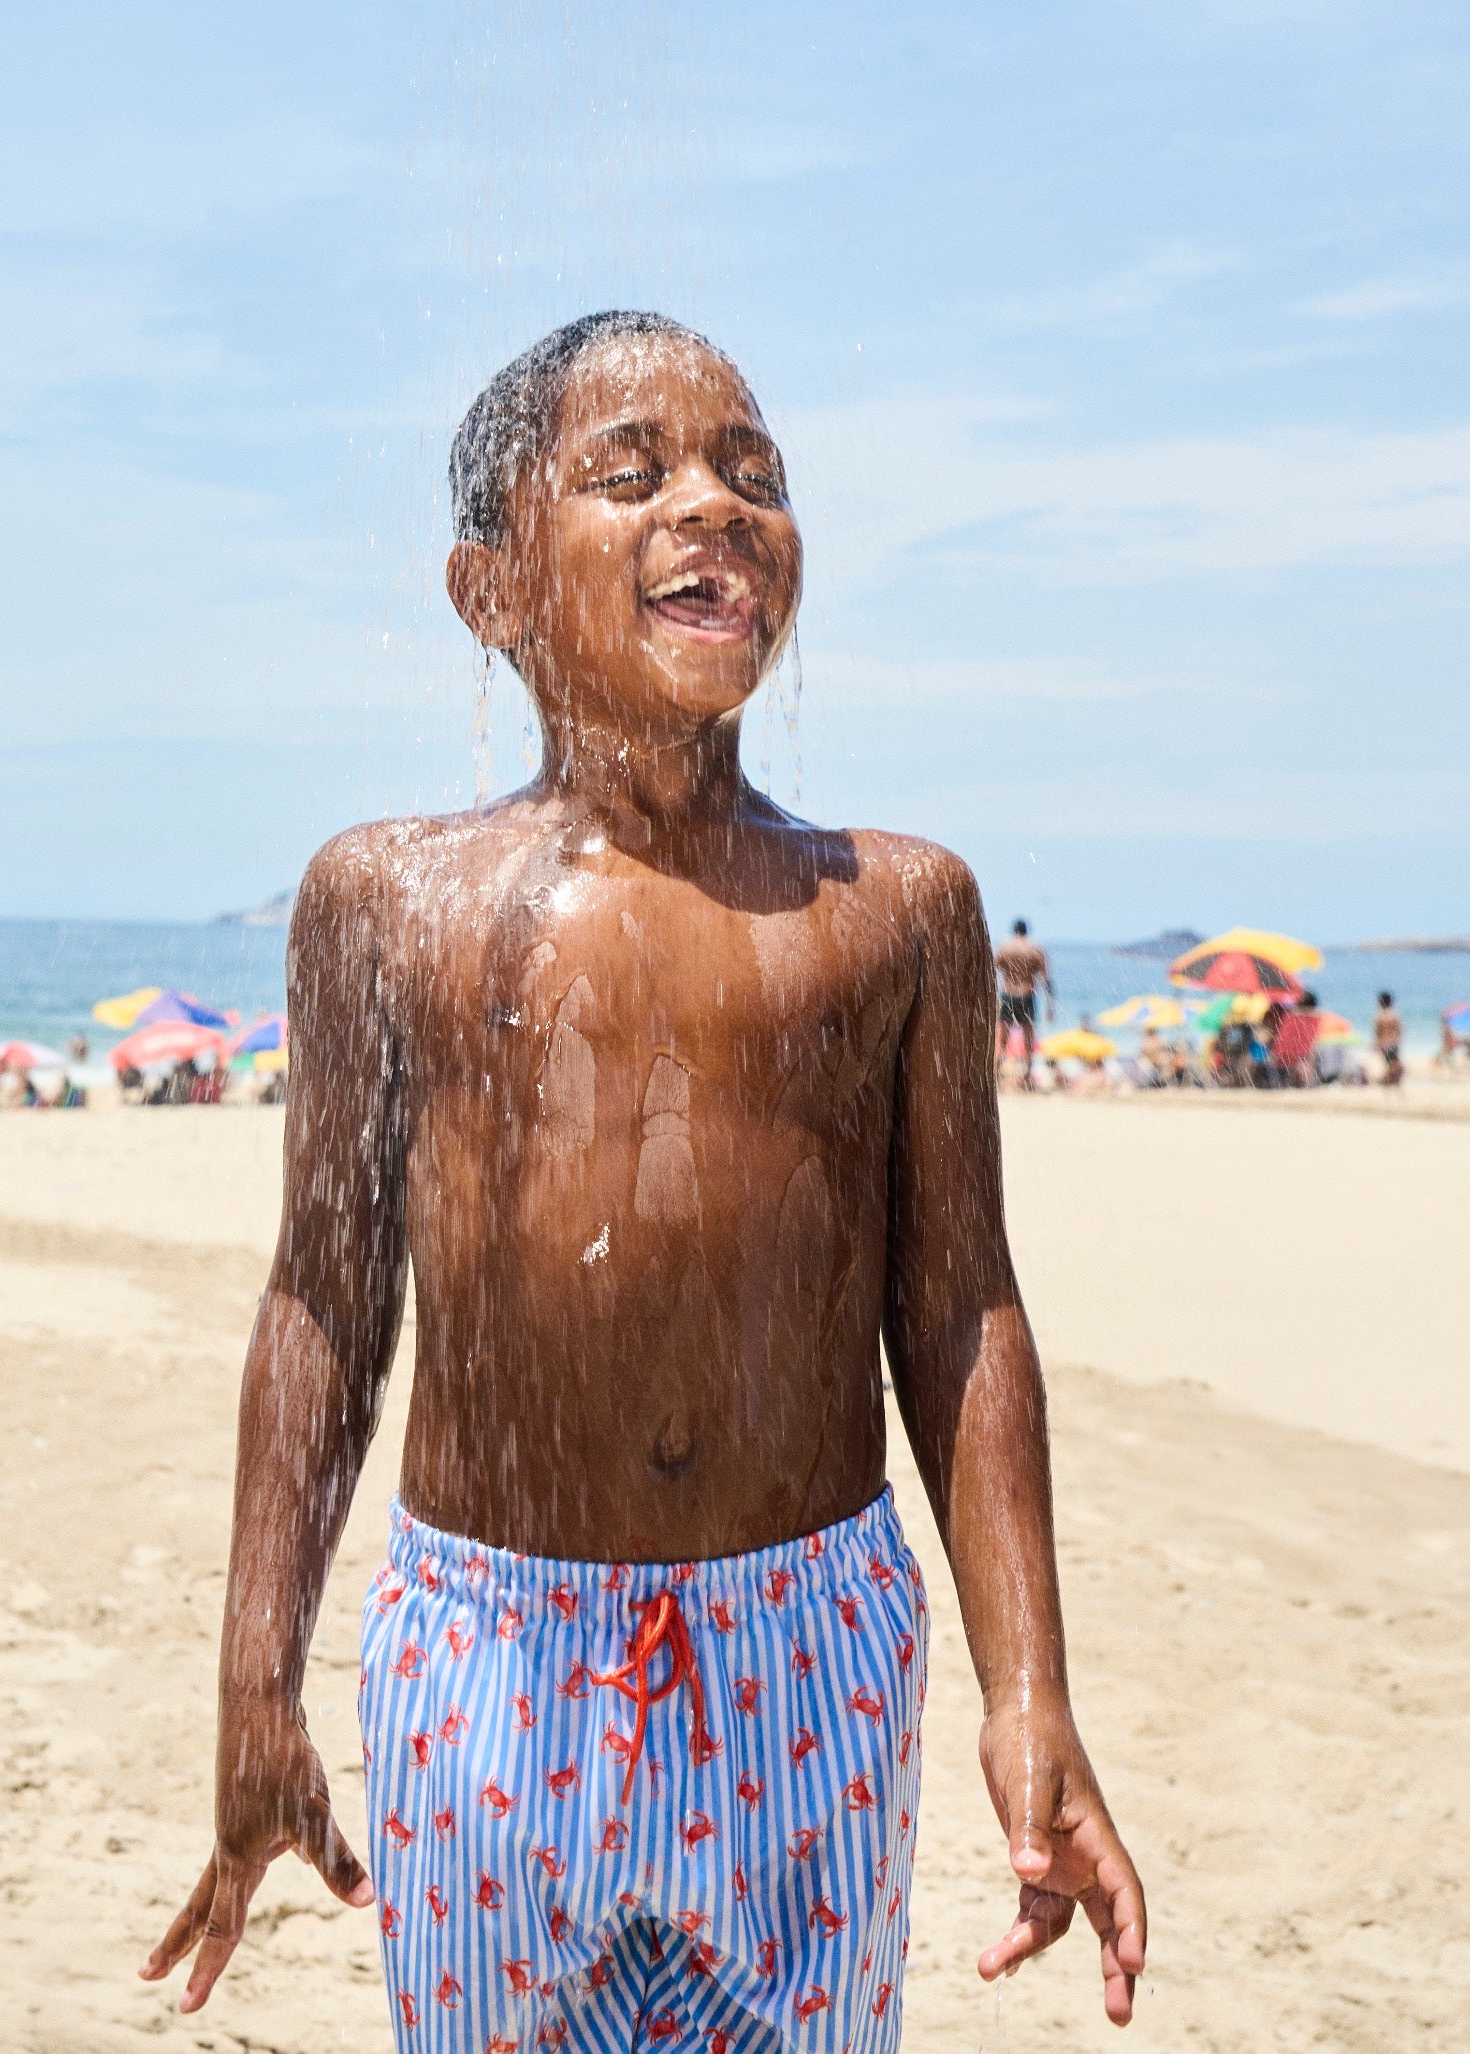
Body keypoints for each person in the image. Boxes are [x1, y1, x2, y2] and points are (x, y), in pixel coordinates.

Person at [141, 312, 1144, 2047]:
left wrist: (1029, 1688)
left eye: (754, 473)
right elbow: (325, 1301)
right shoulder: (392, 901)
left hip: (809, 1643)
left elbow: (961, 1312)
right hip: (491, 1651)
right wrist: (256, 1674)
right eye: (633, 473)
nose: (714, 504)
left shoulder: (893, 906)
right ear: (493, 590)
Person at [993, 918, 1054, 1086]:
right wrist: (1051, 1005)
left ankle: (995, 1078)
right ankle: (1026, 1080)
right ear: (1027, 931)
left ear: (1014, 930)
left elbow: (991, 971)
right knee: (1028, 1043)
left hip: (1008, 995)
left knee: (1002, 1042)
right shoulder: (1035, 949)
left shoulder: (1005, 947)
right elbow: (1046, 978)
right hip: (1027, 996)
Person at [1272, 991, 1320, 1089]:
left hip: (1286, 1053)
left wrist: (1276, 1051)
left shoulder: (1291, 1017)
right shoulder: (1316, 1019)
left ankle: (1281, 1084)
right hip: (1304, 1052)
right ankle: (1306, 1085)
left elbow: (1284, 1037)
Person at [1373, 990, 1405, 1086]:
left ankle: (1388, 1081)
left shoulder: (1379, 1017)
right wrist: (1399, 1041)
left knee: (1389, 1064)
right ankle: (1392, 1081)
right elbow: (1400, 1031)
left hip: (1384, 1043)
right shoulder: (1394, 1015)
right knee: (1394, 1063)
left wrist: (1376, 1044)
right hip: (1394, 1043)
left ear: (1380, 1002)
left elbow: (1377, 1032)